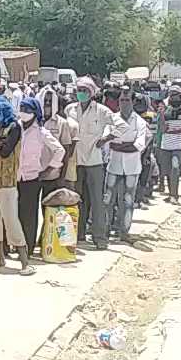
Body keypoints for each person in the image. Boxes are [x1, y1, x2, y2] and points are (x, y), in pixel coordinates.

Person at [65, 78, 125, 250]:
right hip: (75, 161)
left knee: (97, 201)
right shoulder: (70, 109)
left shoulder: (101, 111)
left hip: (94, 161)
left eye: (84, 90)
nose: (81, 92)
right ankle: (77, 234)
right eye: (78, 89)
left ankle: (100, 237)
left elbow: (122, 126)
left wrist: (106, 139)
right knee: (76, 199)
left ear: (91, 93)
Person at [0, 95, 35, 275]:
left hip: (6, 183)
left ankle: (25, 262)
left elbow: (4, 151)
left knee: (11, 221)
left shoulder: (14, 128)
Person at [15, 97, 65, 253]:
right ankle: (16, 245)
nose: (24, 113)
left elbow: (60, 150)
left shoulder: (41, 132)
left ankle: (28, 247)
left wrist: (50, 169)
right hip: (14, 177)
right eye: (22, 109)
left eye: (27, 110)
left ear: (35, 113)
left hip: (32, 177)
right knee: (13, 213)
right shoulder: (15, 127)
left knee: (29, 214)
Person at [104, 91, 148, 245]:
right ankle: (106, 230)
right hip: (113, 166)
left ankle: (124, 232)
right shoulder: (112, 120)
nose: (124, 103)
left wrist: (119, 146)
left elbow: (139, 146)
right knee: (108, 199)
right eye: (122, 100)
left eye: (127, 99)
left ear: (133, 102)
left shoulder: (140, 122)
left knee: (128, 201)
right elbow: (107, 142)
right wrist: (126, 145)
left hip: (132, 168)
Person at [155, 87, 181, 205]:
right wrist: (161, 114)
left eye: (176, 96)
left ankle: (174, 195)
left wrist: (168, 131)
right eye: (171, 96)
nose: (173, 99)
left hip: (178, 146)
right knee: (166, 171)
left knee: (175, 168)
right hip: (165, 146)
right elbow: (162, 128)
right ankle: (171, 193)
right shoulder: (166, 112)